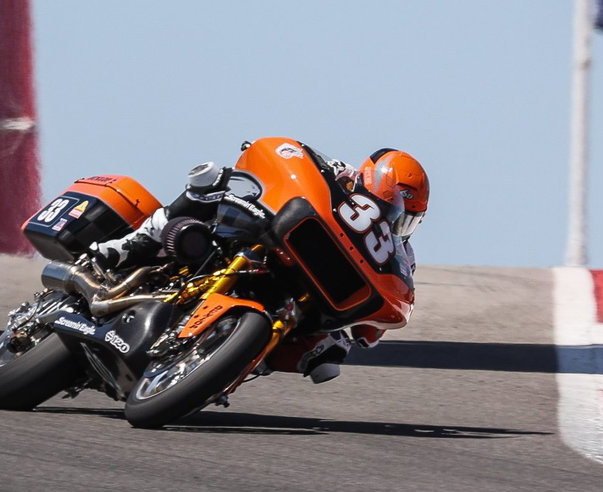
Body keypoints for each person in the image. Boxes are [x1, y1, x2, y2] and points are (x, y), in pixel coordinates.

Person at [87, 144, 430, 384]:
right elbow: (288, 159)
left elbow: (370, 335)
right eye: (390, 208)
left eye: (407, 220)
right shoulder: (341, 174)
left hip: (306, 290)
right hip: (271, 238)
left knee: (330, 354)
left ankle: (230, 361)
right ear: (368, 181)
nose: (392, 223)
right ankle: (126, 247)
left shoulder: (403, 258)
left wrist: (371, 326)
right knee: (214, 186)